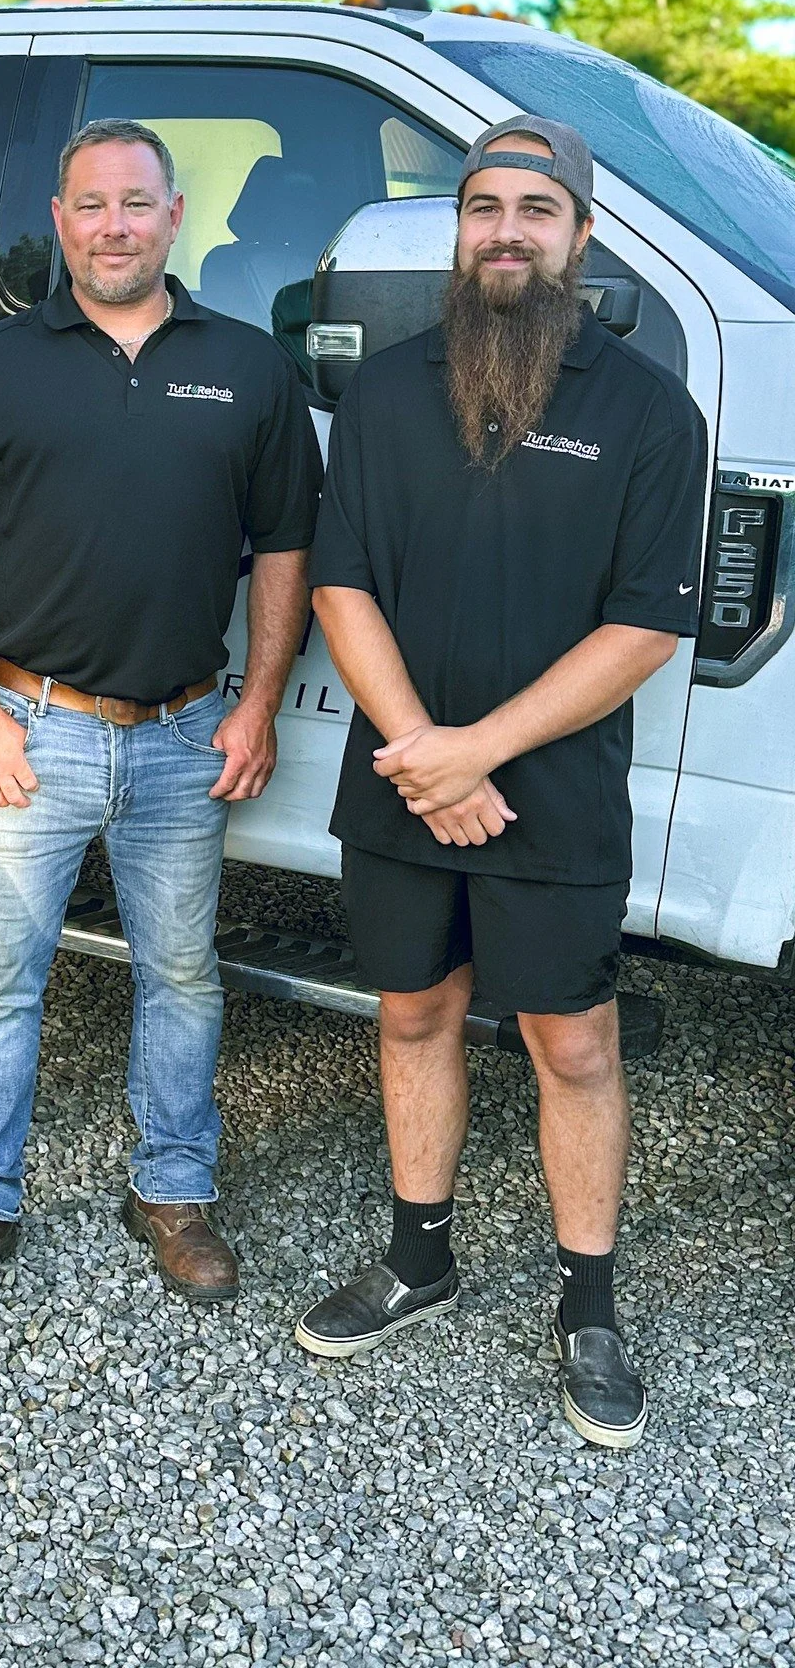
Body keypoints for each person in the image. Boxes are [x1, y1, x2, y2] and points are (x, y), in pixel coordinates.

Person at [296, 115, 707, 1450]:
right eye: (485, 206)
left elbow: (646, 626)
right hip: (406, 777)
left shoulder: (647, 409)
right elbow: (340, 582)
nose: (509, 229)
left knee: (570, 1040)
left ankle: (589, 1302)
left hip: (552, 790)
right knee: (412, 1013)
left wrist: (477, 754)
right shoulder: (389, 389)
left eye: (538, 208)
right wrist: (426, 749)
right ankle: (421, 1255)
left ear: (581, 237)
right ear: (457, 230)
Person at [0, 118, 323, 1325]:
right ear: (60, 221)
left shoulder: (247, 367)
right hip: (34, 727)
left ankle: (173, 1190)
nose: (114, 226)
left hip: (188, 735)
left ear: (175, 217)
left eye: (137, 204)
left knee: (182, 974)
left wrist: (261, 705)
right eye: (90, 205)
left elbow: (285, 547)